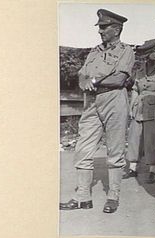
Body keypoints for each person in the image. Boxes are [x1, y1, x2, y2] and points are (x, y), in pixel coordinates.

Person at [60, 9, 135, 213]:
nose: (100, 31)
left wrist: (93, 80)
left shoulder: (126, 51)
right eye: (100, 27)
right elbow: (82, 75)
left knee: (115, 150)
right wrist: (85, 80)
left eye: (104, 27)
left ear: (117, 29)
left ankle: (113, 196)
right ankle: (82, 196)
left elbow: (120, 79)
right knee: (83, 148)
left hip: (114, 100)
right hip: (92, 102)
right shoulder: (94, 51)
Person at [123, 39, 155, 184]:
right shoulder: (140, 70)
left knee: (151, 140)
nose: (145, 59)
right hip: (138, 108)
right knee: (134, 138)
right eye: (143, 56)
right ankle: (133, 168)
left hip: (153, 108)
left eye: (147, 55)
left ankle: (154, 170)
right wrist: (131, 107)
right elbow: (135, 89)